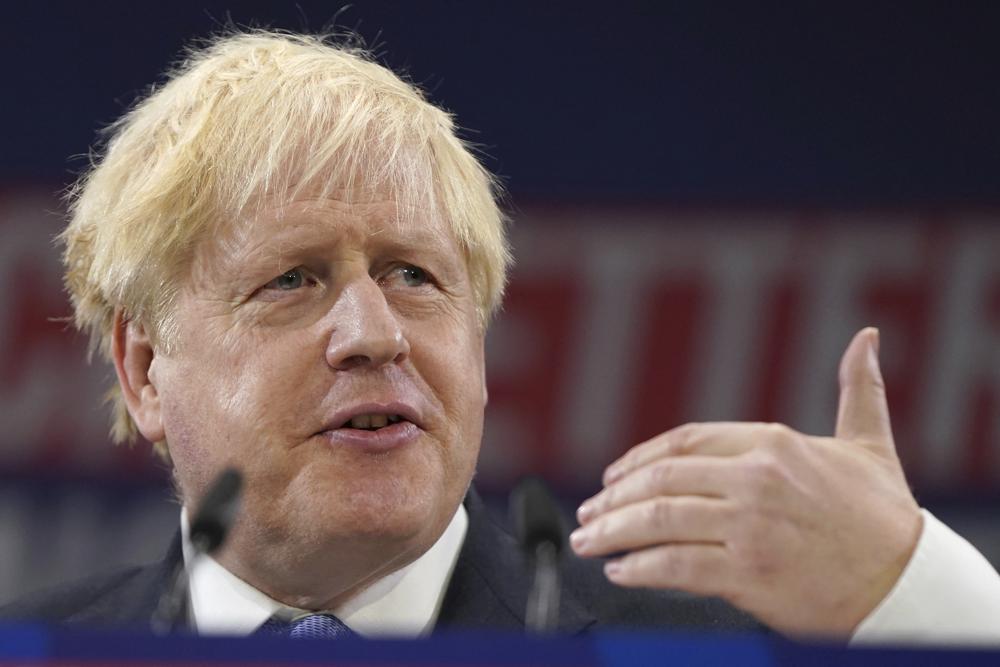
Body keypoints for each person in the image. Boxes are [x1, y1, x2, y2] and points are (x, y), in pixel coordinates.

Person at [3, 30, 999, 644]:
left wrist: (918, 596)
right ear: (142, 368)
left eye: (414, 275)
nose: (374, 332)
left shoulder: (719, 643)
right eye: (293, 280)